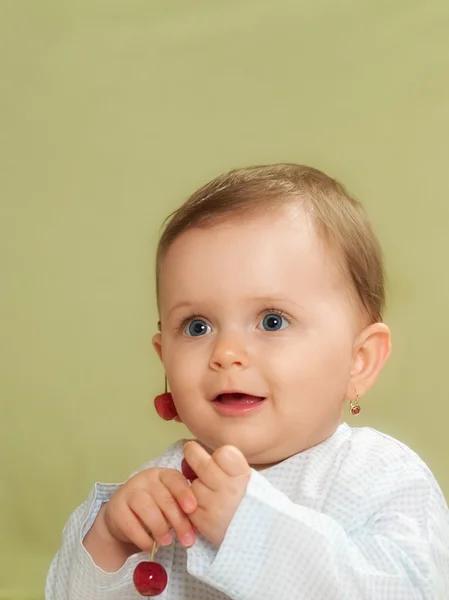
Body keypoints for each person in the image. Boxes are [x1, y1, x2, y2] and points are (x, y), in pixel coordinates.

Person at [46, 164, 449, 599]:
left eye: (272, 321)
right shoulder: (168, 485)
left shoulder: (380, 477)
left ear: (359, 360)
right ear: (165, 359)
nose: (226, 353)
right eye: (198, 326)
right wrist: (111, 543)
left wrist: (254, 528)